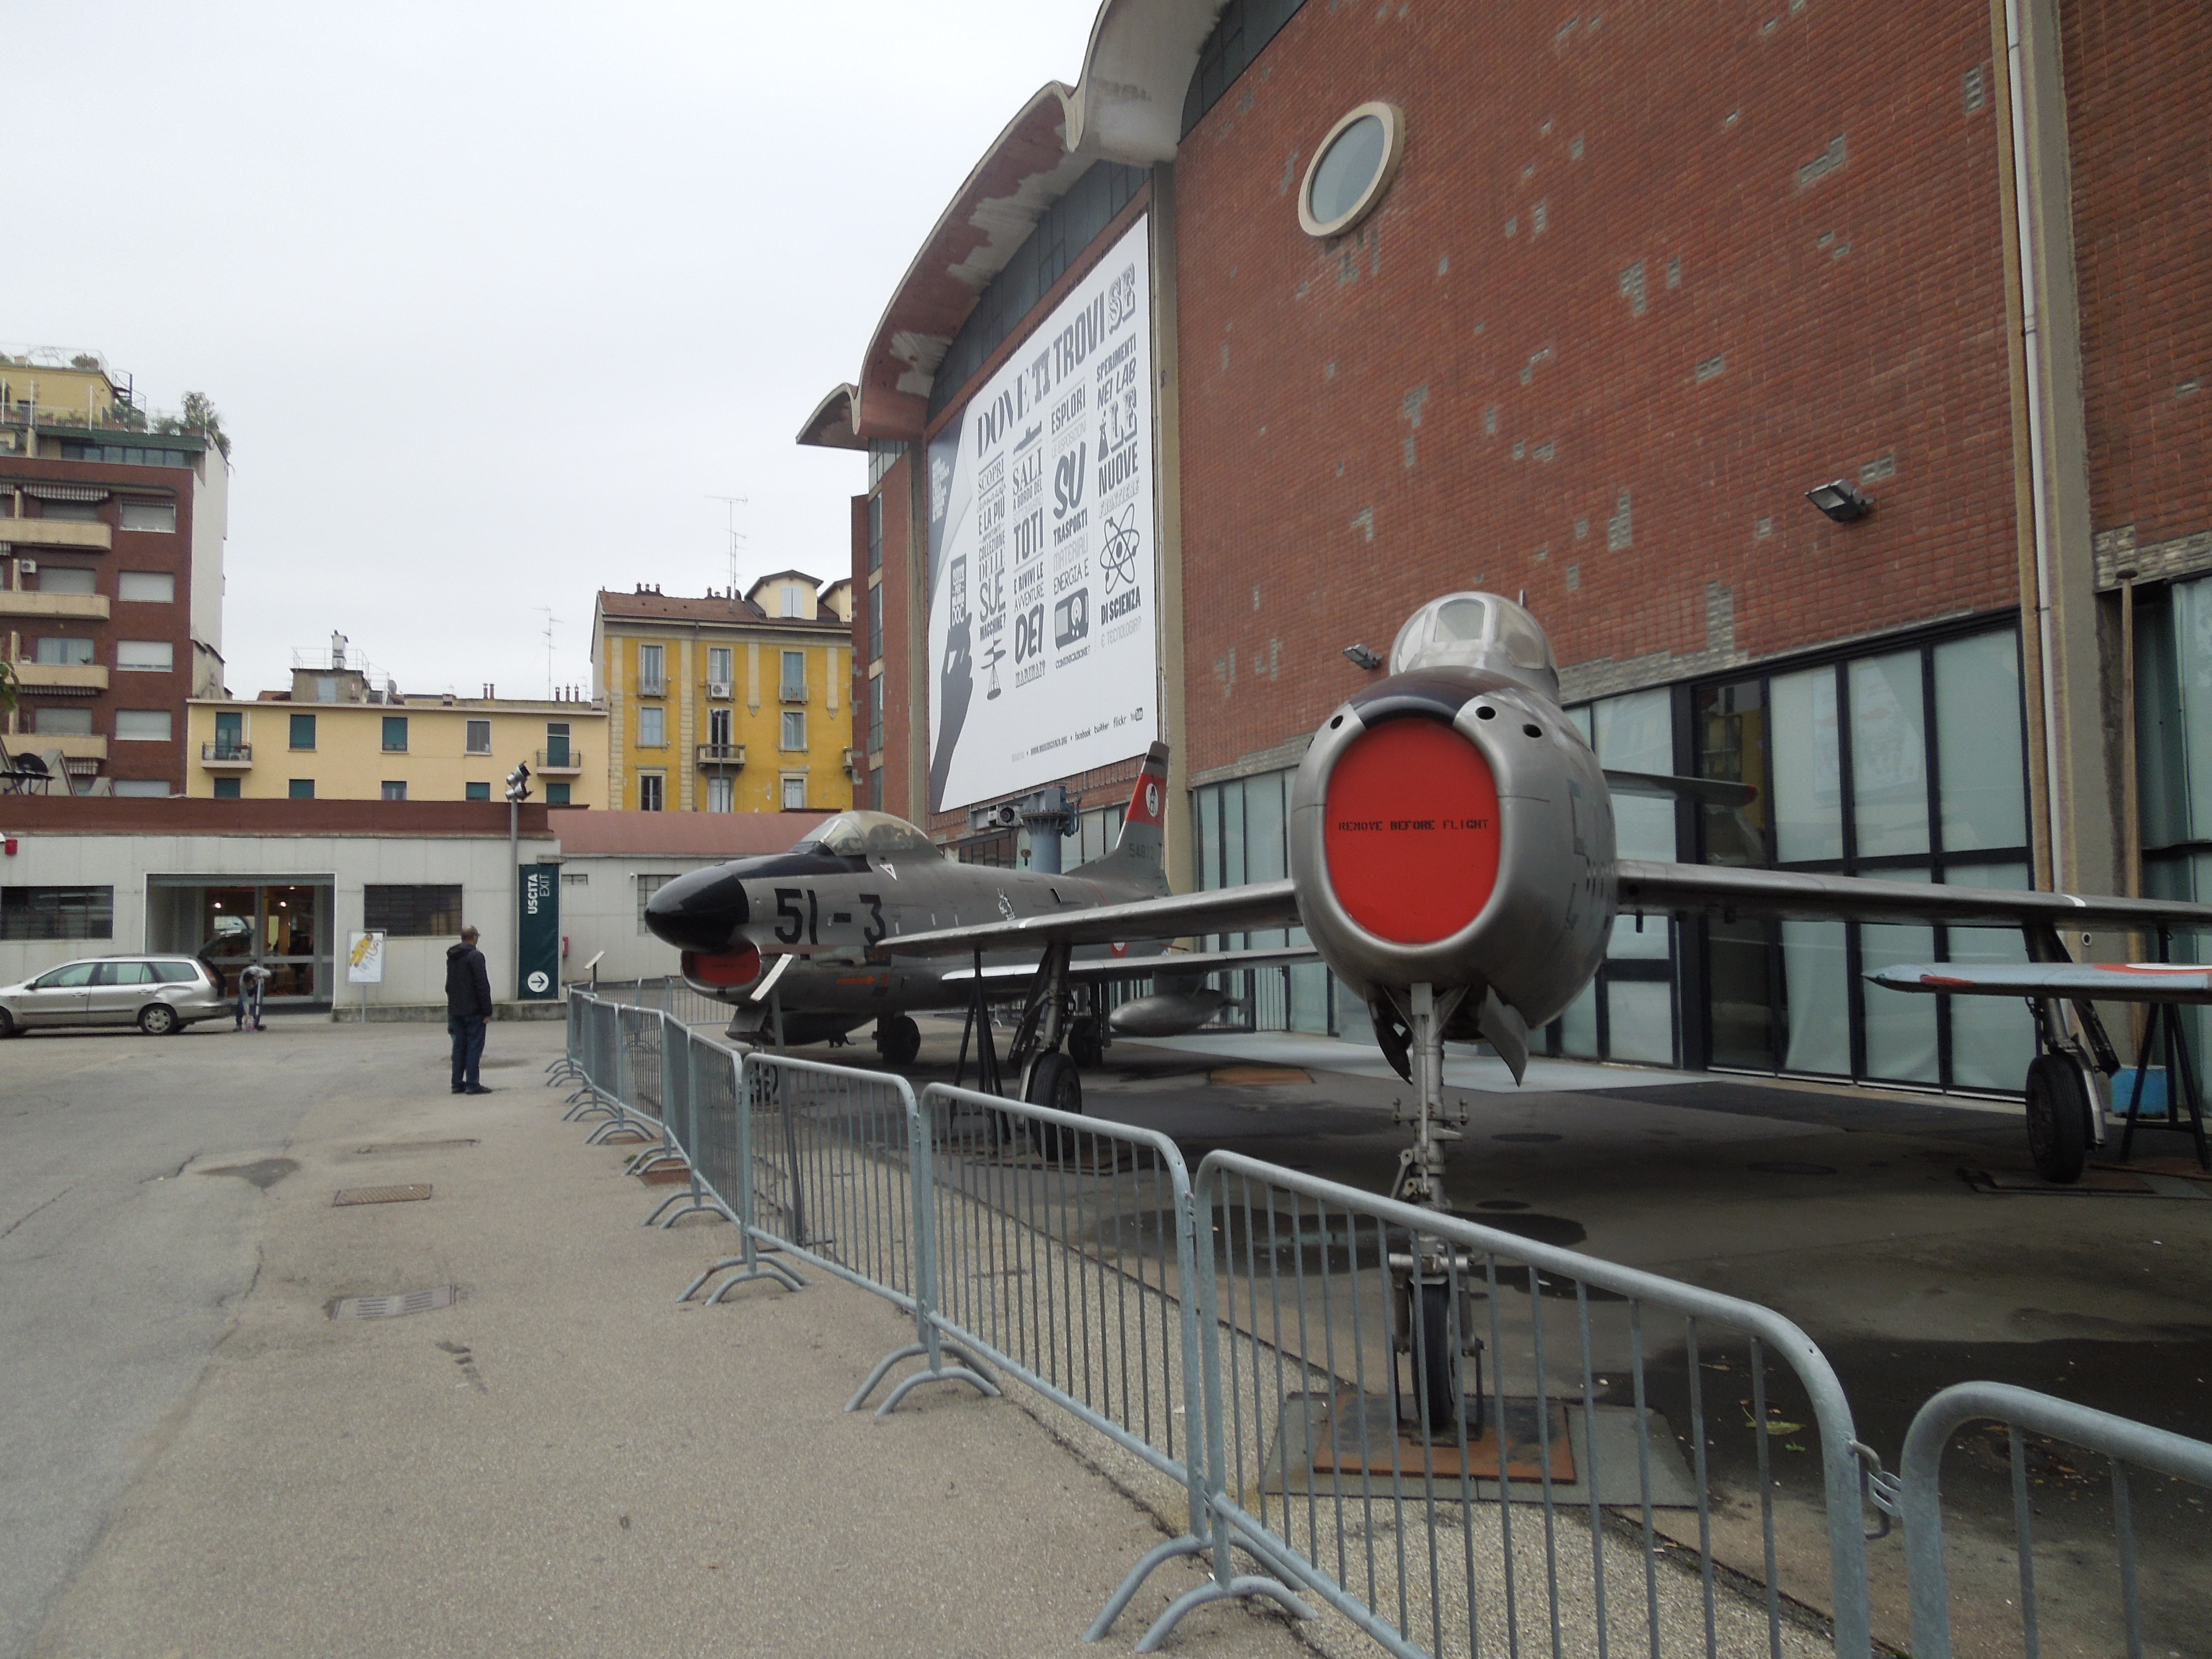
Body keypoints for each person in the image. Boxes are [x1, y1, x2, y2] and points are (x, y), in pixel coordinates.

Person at [445, 925, 494, 1095]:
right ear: (474, 937)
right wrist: (487, 1010)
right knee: (474, 1046)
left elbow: (449, 985)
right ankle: (473, 1083)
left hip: (456, 1009)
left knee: (459, 1046)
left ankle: (457, 1083)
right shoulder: (475, 957)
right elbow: (482, 985)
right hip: (473, 1010)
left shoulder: (452, 957)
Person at [236, 961, 272, 1031]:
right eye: (248, 984)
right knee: (241, 1003)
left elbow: (269, 973)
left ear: (254, 979)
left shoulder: (256, 970)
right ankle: (238, 1024)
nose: (250, 985)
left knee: (258, 1003)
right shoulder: (242, 983)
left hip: (259, 985)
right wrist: (247, 1014)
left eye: (250, 983)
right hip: (246, 989)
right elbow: (245, 1000)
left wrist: (262, 975)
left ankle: (256, 1023)